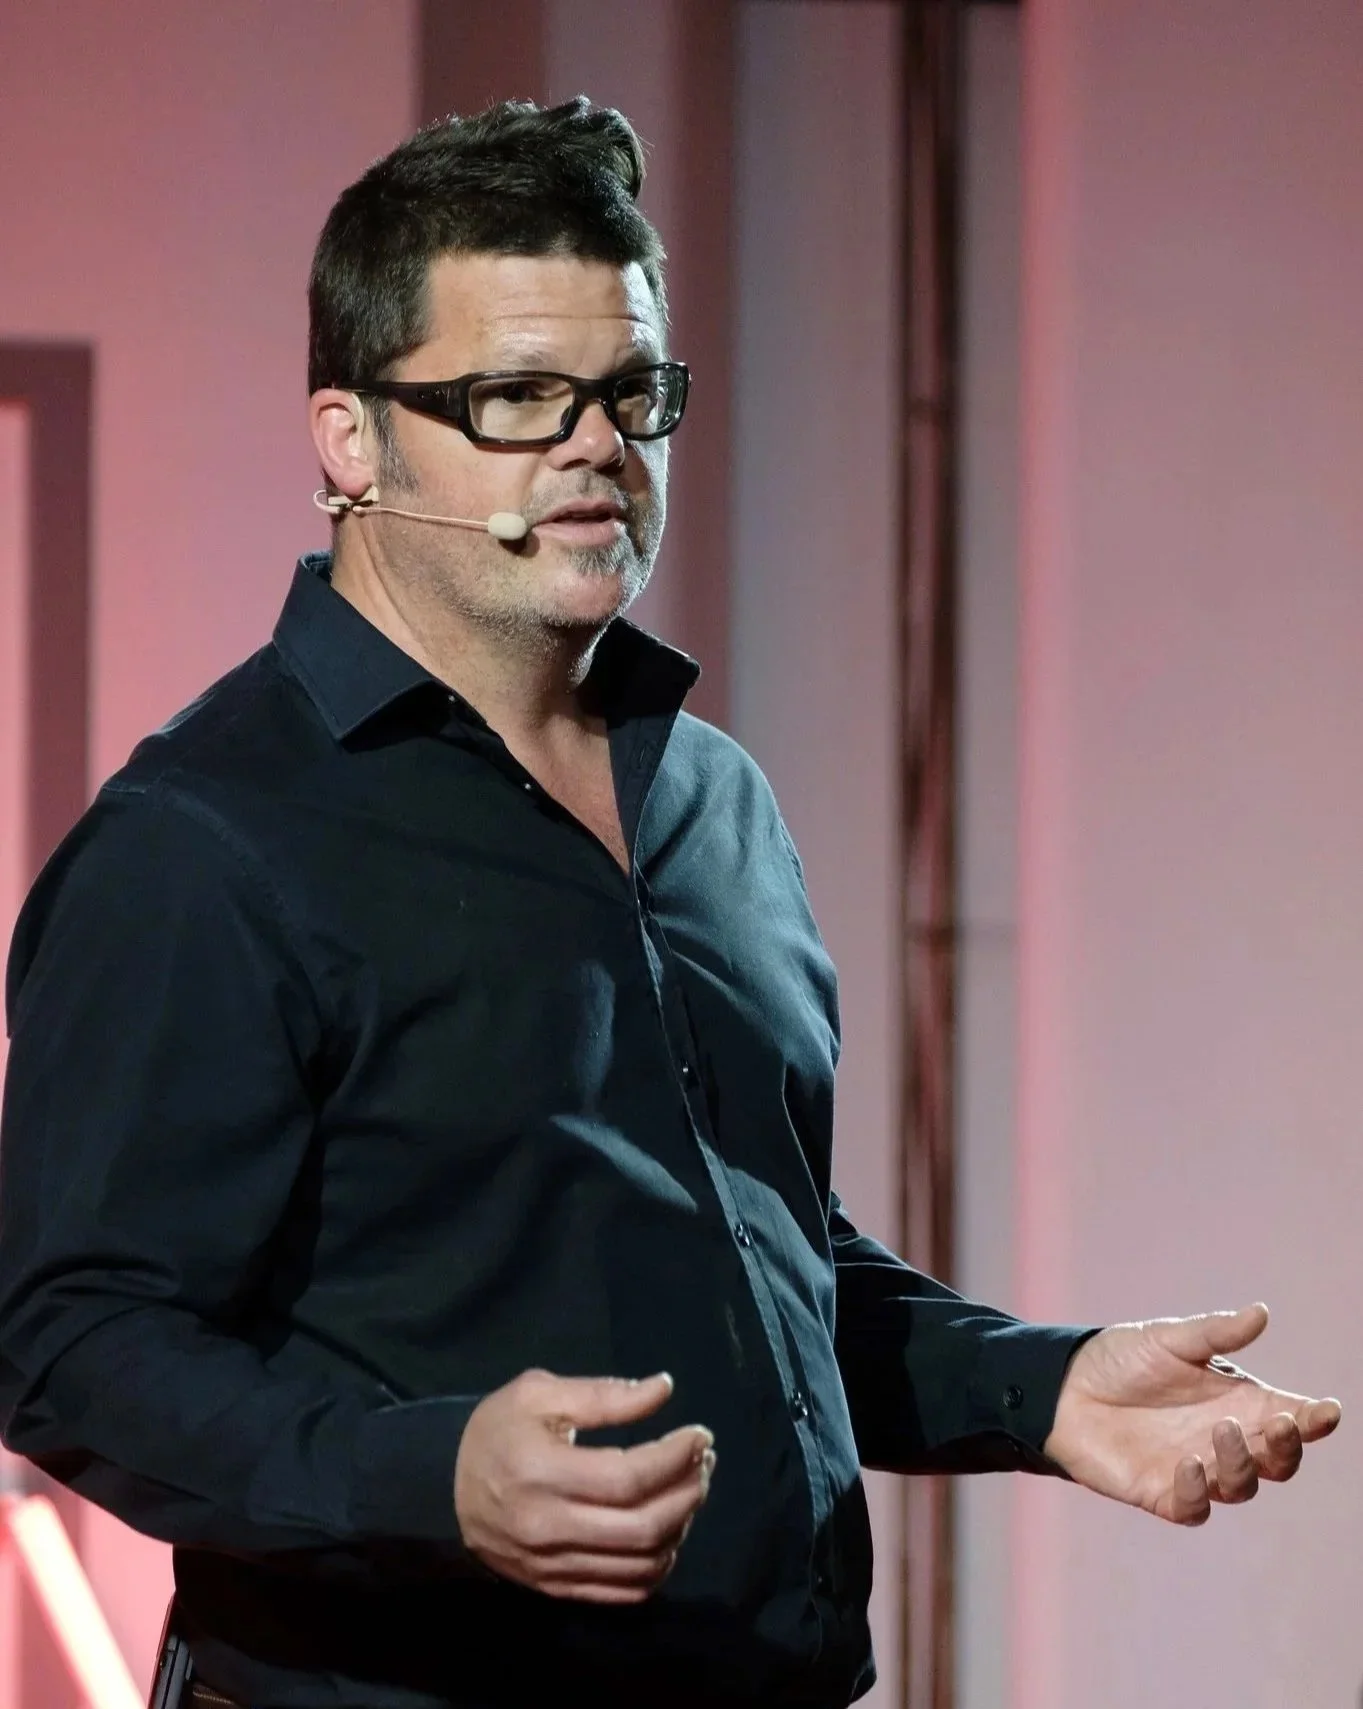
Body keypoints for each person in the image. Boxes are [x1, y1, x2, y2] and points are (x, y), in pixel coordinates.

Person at [0, 98, 1341, 1709]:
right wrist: (429, 1480)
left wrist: (1036, 1390)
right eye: (516, 397)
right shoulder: (205, 840)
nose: (594, 445)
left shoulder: (711, 799)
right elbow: (70, 1342)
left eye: (633, 393)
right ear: (350, 440)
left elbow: (760, 1260)